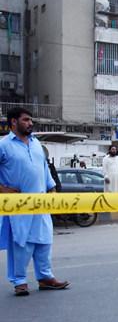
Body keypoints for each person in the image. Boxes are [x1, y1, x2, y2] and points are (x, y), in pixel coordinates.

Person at [0, 107, 69, 296]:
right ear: (13, 121)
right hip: (19, 204)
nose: (30, 123)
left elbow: (44, 168)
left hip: (41, 202)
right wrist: (3, 189)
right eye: (26, 120)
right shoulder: (4, 145)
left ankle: (45, 277)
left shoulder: (36, 143)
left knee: (44, 240)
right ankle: (20, 281)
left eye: (31, 120)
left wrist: (51, 187)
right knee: (21, 242)